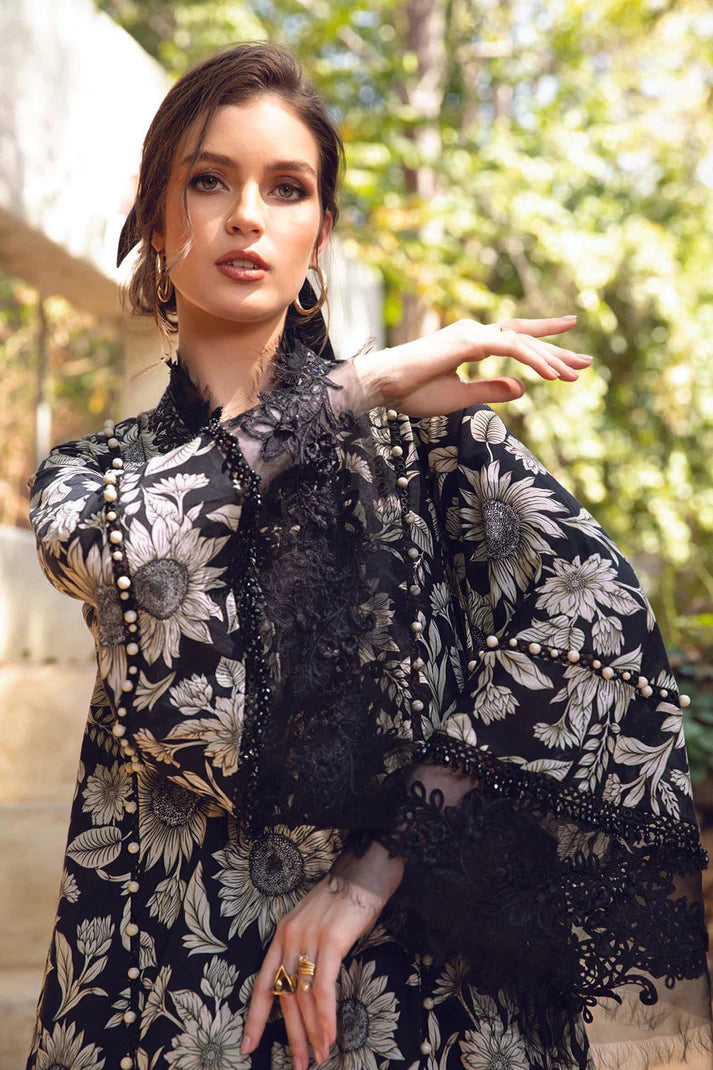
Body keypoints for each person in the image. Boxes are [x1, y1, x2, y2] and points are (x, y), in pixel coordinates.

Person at [24, 39, 712, 1070]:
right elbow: (119, 549)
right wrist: (352, 389)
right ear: (159, 222)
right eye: (208, 180)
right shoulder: (97, 475)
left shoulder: (431, 443)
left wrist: (371, 871)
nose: (246, 215)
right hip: (164, 988)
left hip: (417, 995)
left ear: (320, 235)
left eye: (286, 187)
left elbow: (594, 619)